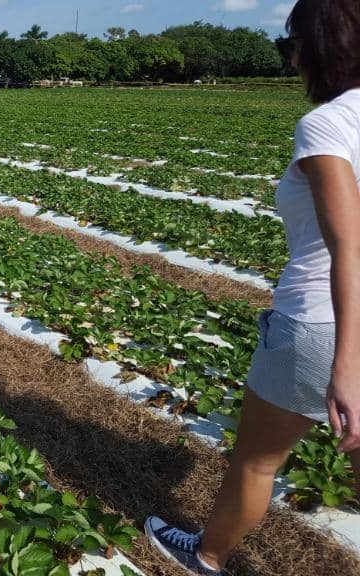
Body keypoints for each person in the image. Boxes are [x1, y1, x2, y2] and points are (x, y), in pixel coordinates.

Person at [145, 2, 360, 575]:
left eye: (292, 43)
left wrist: (345, 362)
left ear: (320, 46)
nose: (290, 57)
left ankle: (207, 554)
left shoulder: (330, 125)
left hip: (320, 323)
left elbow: (347, 248)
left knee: (259, 461)